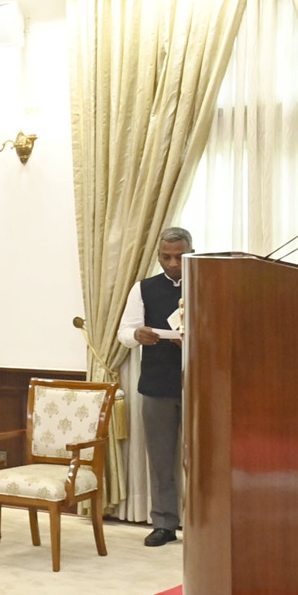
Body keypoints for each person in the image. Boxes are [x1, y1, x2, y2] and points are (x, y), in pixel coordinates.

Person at [119, 227, 192, 547]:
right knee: (161, 459)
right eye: (166, 257)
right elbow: (125, 331)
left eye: (179, 256)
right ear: (158, 255)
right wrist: (138, 336)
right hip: (157, 384)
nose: (173, 263)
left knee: (203, 461)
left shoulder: (207, 283)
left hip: (201, 386)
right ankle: (164, 522)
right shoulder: (144, 288)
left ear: (191, 252)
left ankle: (204, 523)